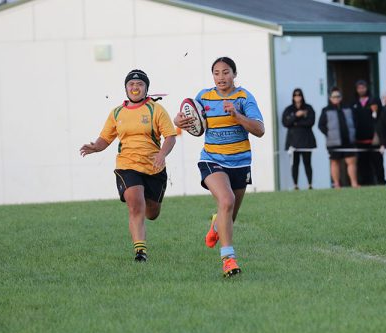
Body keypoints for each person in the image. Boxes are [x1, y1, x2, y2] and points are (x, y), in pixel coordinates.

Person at [174, 57, 265, 277]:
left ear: (234, 74)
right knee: (226, 201)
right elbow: (191, 121)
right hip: (212, 159)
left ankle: (216, 226)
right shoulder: (204, 97)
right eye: (216, 73)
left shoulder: (244, 97)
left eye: (226, 72)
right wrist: (179, 122)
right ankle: (229, 259)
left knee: (229, 217)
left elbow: (260, 129)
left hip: (240, 162)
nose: (221, 77)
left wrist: (237, 116)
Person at [80, 69, 177, 262]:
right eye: (131, 84)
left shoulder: (156, 110)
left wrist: (161, 154)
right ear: (126, 88)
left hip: (153, 166)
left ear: (146, 88)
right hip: (127, 165)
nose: (135, 87)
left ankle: (150, 210)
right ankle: (140, 252)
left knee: (152, 212)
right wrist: (95, 147)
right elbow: (105, 139)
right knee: (135, 203)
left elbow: (171, 137)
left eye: (139, 84)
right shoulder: (117, 113)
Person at [318, 87, 359, 188]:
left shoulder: (348, 107)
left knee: (351, 161)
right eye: (334, 96)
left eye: (338, 96)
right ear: (330, 98)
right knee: (335, 162)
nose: (336, 98)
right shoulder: (326, 110)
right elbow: (321, 125)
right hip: (333, 142)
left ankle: (354, 183)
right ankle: (336, 184)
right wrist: (329, 134)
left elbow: (355, 121)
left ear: (341, 97)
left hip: (348, 141)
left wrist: (354, 132)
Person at [282, 88, 317, 190]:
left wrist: (295, 123)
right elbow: (285, 122)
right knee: (295, 164)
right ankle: (295, 185)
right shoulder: (289, 109)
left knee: (307, 163)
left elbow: (311, 122)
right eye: (295, 96)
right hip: (293, 141)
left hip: (306, 141)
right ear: (293, 97)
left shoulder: (308, 108)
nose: (297, 98)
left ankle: (310, 184)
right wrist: (296, 116)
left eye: (299, 95)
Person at [351, 80, 384, 185]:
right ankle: (365, 183)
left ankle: (381, 182)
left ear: (367, 88)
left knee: (377, 162)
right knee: (362, 164)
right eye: (359, 88)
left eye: (363, 87)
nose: (361, 90)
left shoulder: (374, 100)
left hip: (374, 138)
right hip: (360, 139)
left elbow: (380, 117)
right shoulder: (353, 103)